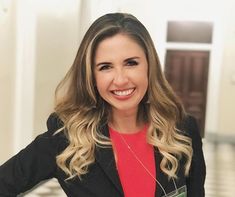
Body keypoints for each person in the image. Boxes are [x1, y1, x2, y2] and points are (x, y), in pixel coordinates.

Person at [0, 13, 206, 197]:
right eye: (105, 67)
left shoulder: (182, 129)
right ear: (91, 76)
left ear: (149, 66)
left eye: (131, 63)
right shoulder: (66, 138)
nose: (120, 79)